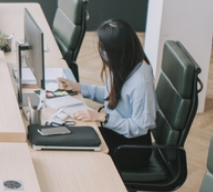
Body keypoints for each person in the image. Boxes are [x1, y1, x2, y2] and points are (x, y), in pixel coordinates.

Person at [57, 19, 157, 170]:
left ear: (118, 50)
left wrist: (102, 117)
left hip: (131, 149)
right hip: (116, 133)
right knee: (72, 134)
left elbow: (139, 127)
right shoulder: (126, 63)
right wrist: (78, 87)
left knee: (78, 149)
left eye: (105, 49)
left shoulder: (141, 82)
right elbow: (111, 94)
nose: (102, 53)